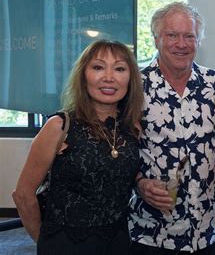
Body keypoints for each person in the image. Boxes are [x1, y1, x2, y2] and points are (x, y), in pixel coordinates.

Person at [12, 40, 144, 254]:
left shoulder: (132, 128)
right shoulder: (59, 126)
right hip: (66, 245)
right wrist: (45, 242)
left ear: (130, 79)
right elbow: (23, 195)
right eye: (98, 67)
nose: (109, 77)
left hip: (118, 243)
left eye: (119, 68)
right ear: (84, 76)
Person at [128, 2, 215, 254]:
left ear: (199, 40)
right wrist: (139, 183)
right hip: (152, 233)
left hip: (207, 230)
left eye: (189, 36)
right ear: (156, 39)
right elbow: (117, 148)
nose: (181, 44)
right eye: (172, 35)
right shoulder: (134, 86)